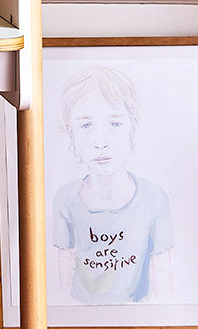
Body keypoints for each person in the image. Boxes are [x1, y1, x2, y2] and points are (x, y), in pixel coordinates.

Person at [52, 65, 173, 304]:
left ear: (133, 127)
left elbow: (163, 274)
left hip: (139, 317)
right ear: (70, 132)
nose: (101, 142)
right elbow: (62, 282)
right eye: (86, 125)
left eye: (115, 124)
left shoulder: (154, 198)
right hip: (79, 318)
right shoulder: (65, 199)